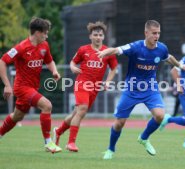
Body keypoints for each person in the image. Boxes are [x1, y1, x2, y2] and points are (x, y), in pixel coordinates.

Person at [97, 20, 185, 159]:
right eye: (154, 33)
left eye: (158, 33)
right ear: (146, 33)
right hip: (131, 88)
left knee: (160, 115)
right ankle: (110, 149)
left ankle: (144, 137)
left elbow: (168, 57)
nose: (156, 36)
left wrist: (180, 66)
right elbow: (117, 50)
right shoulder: (136, 47)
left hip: (150, 88)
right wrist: (105, 52)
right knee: (119, 123)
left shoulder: (161, 48)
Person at [52, 21, 118, 152]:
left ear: (103, 37)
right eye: (95, 34)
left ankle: (58, 131)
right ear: (90, 36)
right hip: (81, 83)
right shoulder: (83, 49)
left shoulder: (107, 52)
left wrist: (108, 81)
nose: (98, 37)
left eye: (100, 35)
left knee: (76, 113)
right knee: (82, 109)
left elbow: (114, 68)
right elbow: (73, 62)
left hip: (95, 87)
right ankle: (71, 143)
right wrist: (72, 67)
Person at [0, 17, 62, 153]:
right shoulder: (21, 47)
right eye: (45, 33)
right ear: (37, 33)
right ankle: (48, 143)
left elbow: (49, 60)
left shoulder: (44, 46)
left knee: (17, 116)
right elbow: (2, 61)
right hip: (22, 88)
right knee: (47, 105)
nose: (46, 36)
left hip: (33, 87)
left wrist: (54, 71)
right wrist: (7, 85)